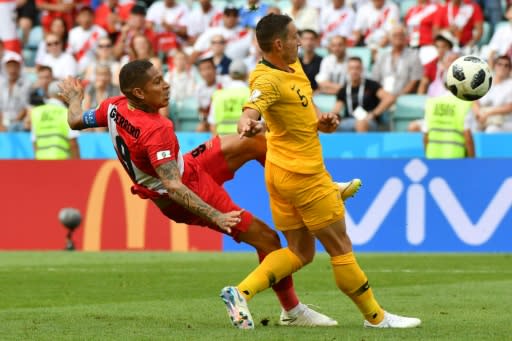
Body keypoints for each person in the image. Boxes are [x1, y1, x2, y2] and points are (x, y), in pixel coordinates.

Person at [59, 59, 363, 328]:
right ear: (138, 93)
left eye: (163, 77)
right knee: (268, 240)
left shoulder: (114, 106)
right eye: (157, 82)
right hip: (183, 192)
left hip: (188, 165)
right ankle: (292, 310)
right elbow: (175, 186)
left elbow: (75, 120)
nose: (166, 85)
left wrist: (74, 99)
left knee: (256, 142)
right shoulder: (156, 129)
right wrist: (216, 215)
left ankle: (318, 185)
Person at [223, 13, 421, 330]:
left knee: (300, 252)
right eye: (294, 37)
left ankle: (240, 292)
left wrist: (320, 121)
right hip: (304, 177)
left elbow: (304, 104)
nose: (300, 41)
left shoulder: (292, 67)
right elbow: (251, 108)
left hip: (279, 174)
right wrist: (247, 123)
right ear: (278, 44)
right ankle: (376, 318)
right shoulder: (267, 80)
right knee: (340, 247)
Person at [333, 56, 395, 132]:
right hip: (349, 120)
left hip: (368, 120)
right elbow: (336, 109)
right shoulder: (344, 89)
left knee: (361, 123)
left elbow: (389, 98)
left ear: (362, 69)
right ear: (347, 70)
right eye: (351, 68)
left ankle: (360, 144)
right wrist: (331, 119)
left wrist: (373, 114)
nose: (354, 71)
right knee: (329, 125)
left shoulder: (371, 85)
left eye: (357, 68)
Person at [31, 81, 80, 159]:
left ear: (49, 94)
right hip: (61, 162)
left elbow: (34, 142)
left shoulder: (36, 112)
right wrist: (78, 165)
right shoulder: (66, 113)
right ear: (62, 95)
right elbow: (73, 144)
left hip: (41, 162)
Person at [424, 92, 475, 159]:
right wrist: (472, 161)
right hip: (455, 157)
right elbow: (468, 137)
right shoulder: (464, 103)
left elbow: (426, 136)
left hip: (432, 157)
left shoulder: (431, 103)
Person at [208, 59, 249, 134]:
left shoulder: (218, 95)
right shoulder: (251, 94)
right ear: (246, 75)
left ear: (230, 75)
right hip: (245, 141)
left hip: (223, 141)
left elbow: (212, 124)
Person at [472, 55, 512, 133]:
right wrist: (479, 114)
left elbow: (509, 107)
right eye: (499, 64)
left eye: (506, 65)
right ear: (494, 66)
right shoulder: (484, 81)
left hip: (503, 121)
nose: (502, 67)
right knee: (469, 127)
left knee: (492, 130)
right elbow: (474, 100)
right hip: (482, 117)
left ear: (509, 69)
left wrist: (488, 112)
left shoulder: (510, 85)